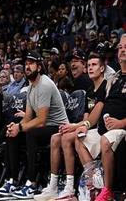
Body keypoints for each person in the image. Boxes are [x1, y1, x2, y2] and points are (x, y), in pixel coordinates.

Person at [0, 51, 68, 199]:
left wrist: (20, 128)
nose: (27, 66)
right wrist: (16, 128)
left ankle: (32, 183)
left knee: (31, 134)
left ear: (39, 67)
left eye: (31, 63)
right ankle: (12, 180)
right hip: (45, 126)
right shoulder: (31, 87)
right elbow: (28, 117)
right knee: (11, 133)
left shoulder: (44, 84)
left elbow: (41, 120)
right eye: (26, 64)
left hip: (58, 126)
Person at [35, 53, 107, 201]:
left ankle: (70, 188)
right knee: (55, 138)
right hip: (88, 127)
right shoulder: (90, 90)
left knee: (66, 138)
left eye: (94, 65)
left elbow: (94, 118)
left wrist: (74, 126)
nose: (90, 68)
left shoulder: (105, 87)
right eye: (89, 65)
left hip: (100, 128)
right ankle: (53, 187)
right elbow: (86, 117)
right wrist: (74, 126)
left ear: (102, 68)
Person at [75, 34, 126, 201]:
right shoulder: (114, 78)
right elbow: (99, 108)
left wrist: (121, 123)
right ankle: (94, 182)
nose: (122, 50)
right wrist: (83, 125)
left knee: (105, 141)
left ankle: (107, 190)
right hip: (103, 129)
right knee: (79, 138)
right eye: (120, 47)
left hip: (120, 128)